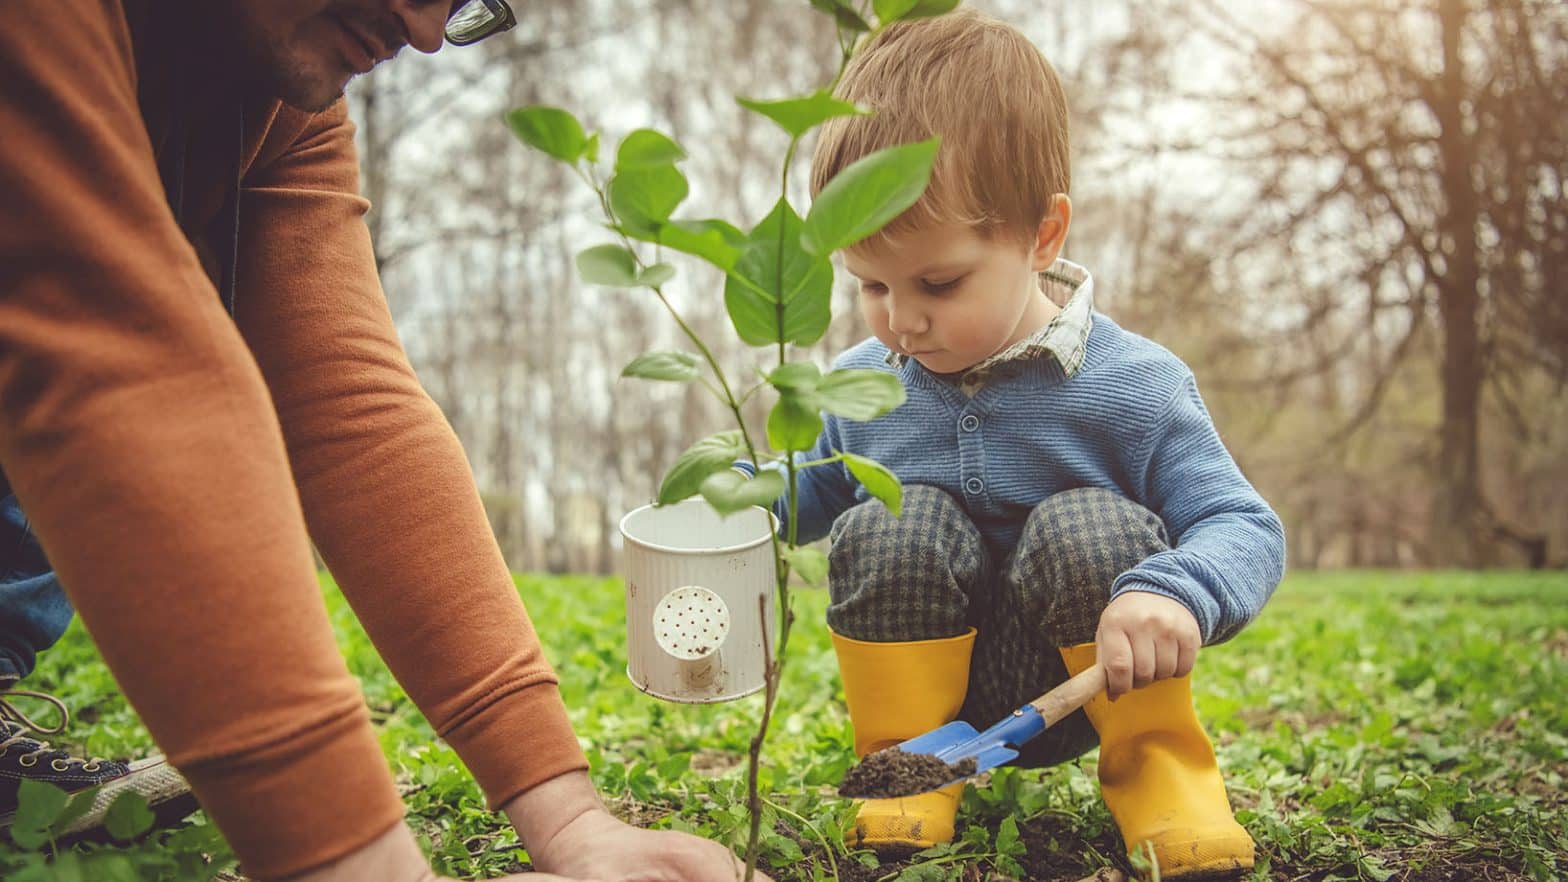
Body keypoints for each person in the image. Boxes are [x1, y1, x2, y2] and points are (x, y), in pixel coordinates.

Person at [0, 1, 770, 880]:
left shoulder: (279, 99)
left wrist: (572, 824)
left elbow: (347, 409)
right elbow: (108, 358)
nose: (428, 29)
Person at [779, 9, 1286, 878]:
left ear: (1041, 237)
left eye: (939, 282)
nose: (901, 321)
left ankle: (1163, 777)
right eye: (869, 284)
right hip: (940, 691)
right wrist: (744, 501)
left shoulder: (1136, 385)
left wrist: (1177, 594)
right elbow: (817, 490)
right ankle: (911, 773)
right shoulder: (864, 379)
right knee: (888, 519)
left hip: (1098, 683)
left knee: (1085, 523)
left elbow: (1244, 524)